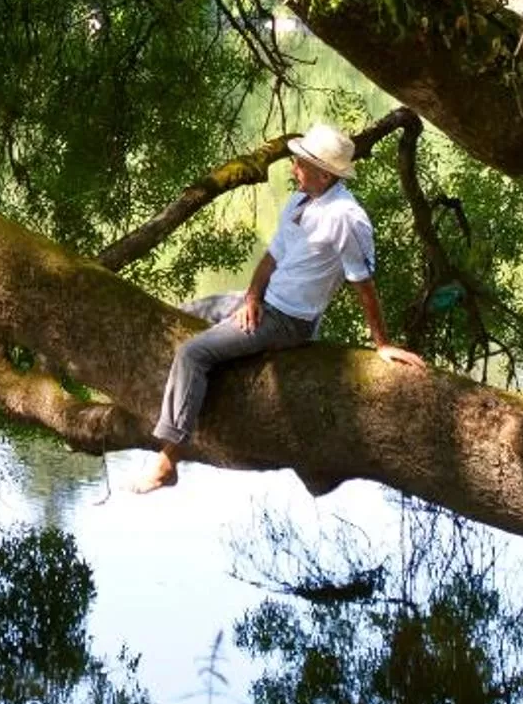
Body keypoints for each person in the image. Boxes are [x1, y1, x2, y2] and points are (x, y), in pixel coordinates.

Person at [131, 121, 424, 492]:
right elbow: (271, 258)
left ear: (322, 173)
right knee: (186, 312)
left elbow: (363, 285)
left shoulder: (348, 220)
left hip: (288, 320)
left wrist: (382, 344)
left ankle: (168, 460)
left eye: (300, 163)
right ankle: (173, 400)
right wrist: (251, 297)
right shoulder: (299, 200)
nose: (293, 168)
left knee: (193, 354)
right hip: (262, 302)